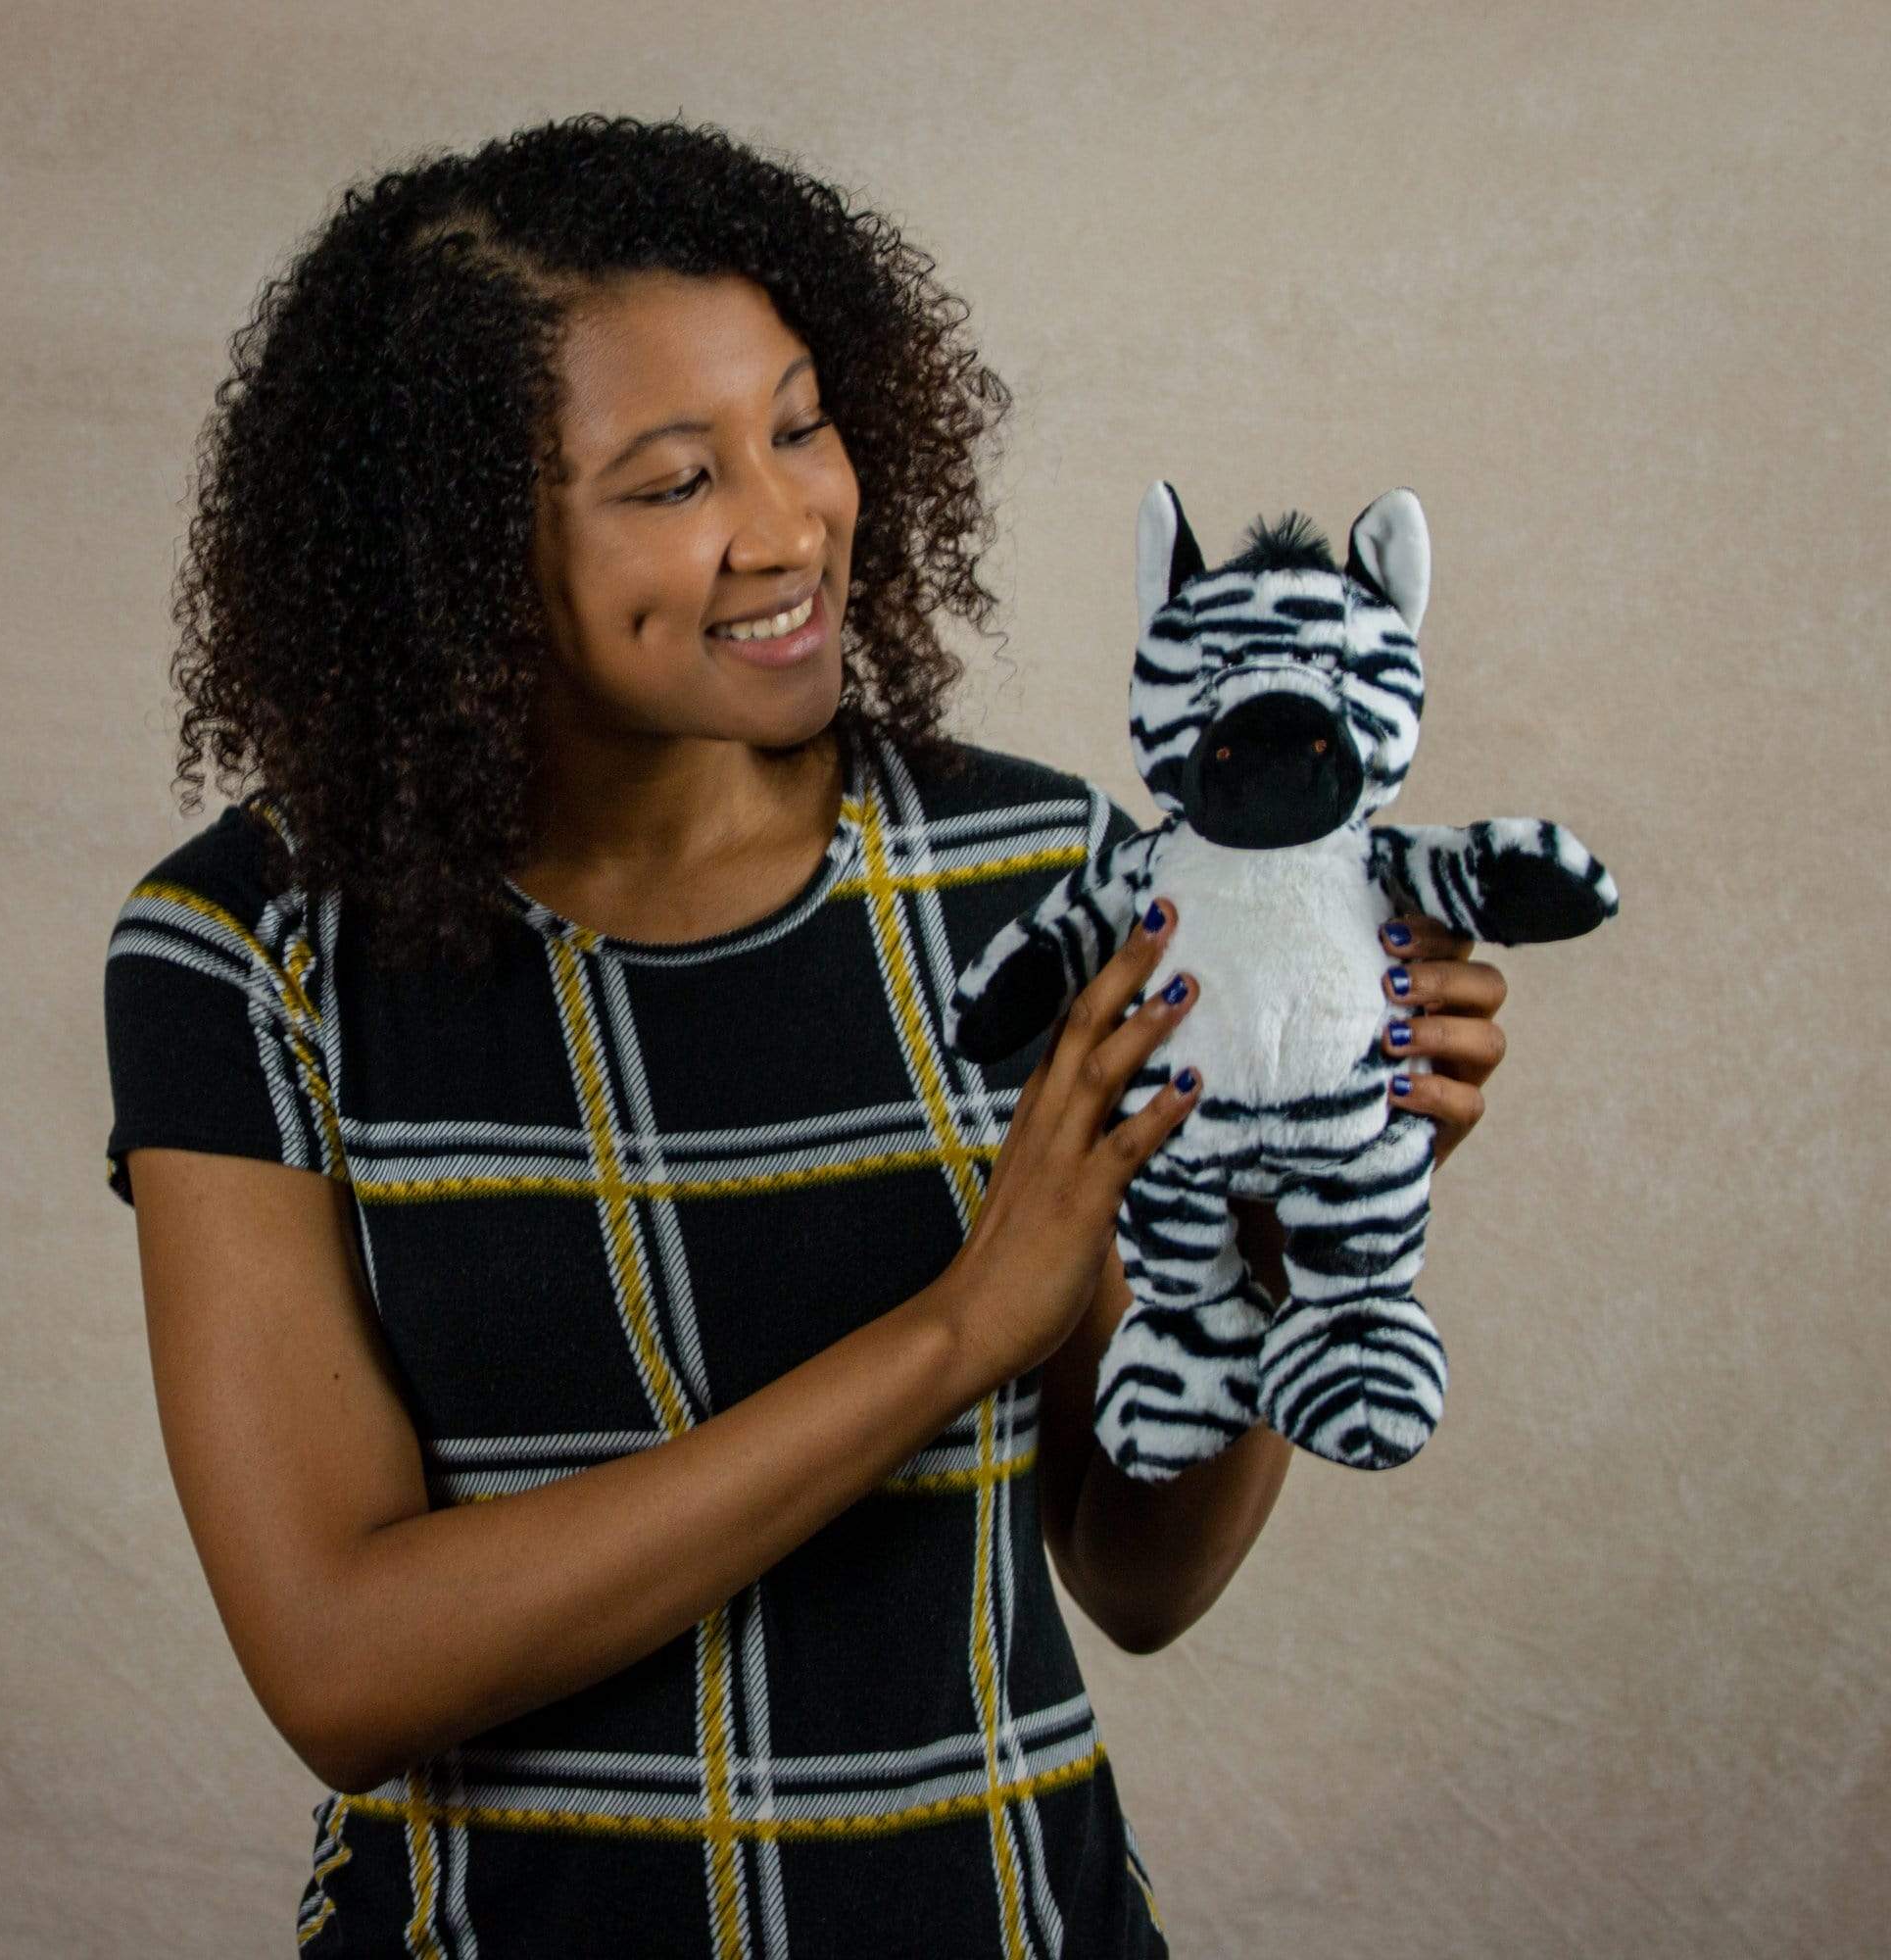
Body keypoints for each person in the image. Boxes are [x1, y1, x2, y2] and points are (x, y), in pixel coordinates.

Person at [102, 114, 1508, 1958]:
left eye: (798, 422)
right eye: (673, 481)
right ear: (458, 550)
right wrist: (952, 1335)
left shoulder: (1040, 877)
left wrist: (1281, 1222)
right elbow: (344, 1666)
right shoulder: (247, 951)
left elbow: (1135, 1576)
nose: (789, 526)